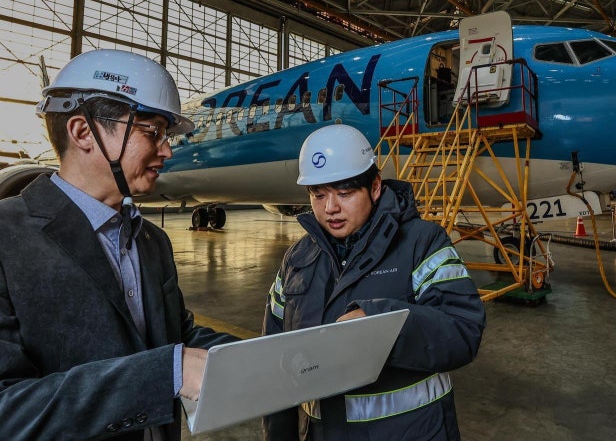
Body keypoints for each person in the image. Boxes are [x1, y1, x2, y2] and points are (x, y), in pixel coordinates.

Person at [0, 49, 239, 439]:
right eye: (152, 132)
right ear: (82, 132)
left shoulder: (152, 241)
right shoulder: (7, 237)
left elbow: (175, 336)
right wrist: (165, 373)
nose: (166, 150)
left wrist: (272, 354)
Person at [263, 124, 486, 440]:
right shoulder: (296, 260)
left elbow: (464, 331)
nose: (331, 208)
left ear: (376, 187)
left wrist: (381, 324)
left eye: (345, 192)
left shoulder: (422, 244)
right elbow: (275, 365)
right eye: (319, 194)